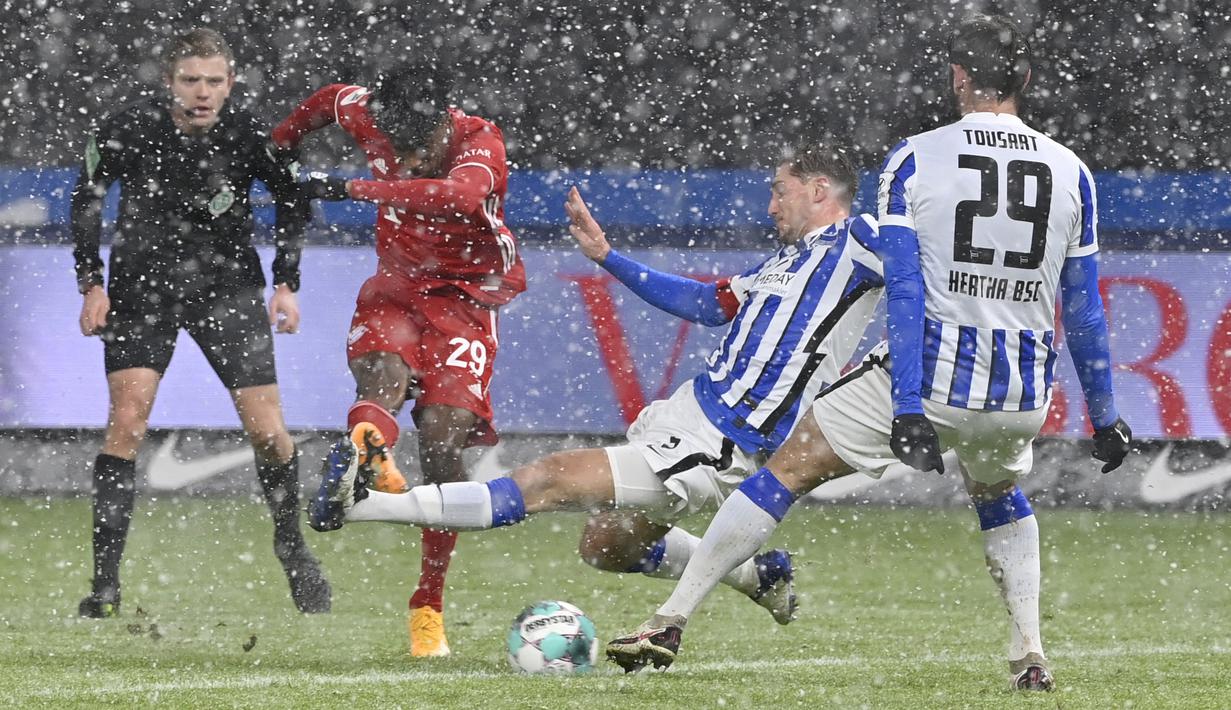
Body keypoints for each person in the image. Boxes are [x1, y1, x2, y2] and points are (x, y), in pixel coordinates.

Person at [604, 14, 1134, 691]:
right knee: (997, 490)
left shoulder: (914, 157)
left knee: (789, 467)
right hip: (1019, 395)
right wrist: (1105, 414)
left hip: (933, 377)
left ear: (956, 77)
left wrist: (908, 405)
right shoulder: (1071, 171)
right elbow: (1082, 304)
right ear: (1025, 80)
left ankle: (669, 619)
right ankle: (1028, 651)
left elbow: (906, 290)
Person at [307, 142, 886, 633]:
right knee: (605, 547)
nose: (770, 205)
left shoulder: (863, 242)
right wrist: (608, 256)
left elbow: (926, 262)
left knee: (549, 478)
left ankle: (361, 507)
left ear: (817, 190)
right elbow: (707, 303)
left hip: (727, 440)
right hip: (689, 414)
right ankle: (759, 574)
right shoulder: (782, 264)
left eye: (778, 191)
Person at [270, 60, 527, 657]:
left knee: (442, 442)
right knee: (381, 372)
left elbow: (460, 197)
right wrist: (280, 144)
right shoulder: (365, 111)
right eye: (399, 150)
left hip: (467, 296)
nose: (409, 161)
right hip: (398, 286)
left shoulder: (478, 141)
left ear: (444, 121)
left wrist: (347, 187)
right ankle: (368, 452)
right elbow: (328, 100)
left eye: (421, 149)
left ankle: (427, 602)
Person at [71, 28, 328, 618]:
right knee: (127, 424)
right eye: (191, 80)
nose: (203, 92)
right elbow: (87, 196)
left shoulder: (252, 134)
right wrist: (91, 282)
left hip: (226, 290)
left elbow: (293, 199)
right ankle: (104, 586)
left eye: (214, 81)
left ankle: (292, 546)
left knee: (267, 431)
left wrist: (287, 281)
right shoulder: (125, 127)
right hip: (142, 291)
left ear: (230, 84)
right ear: (170, 83)